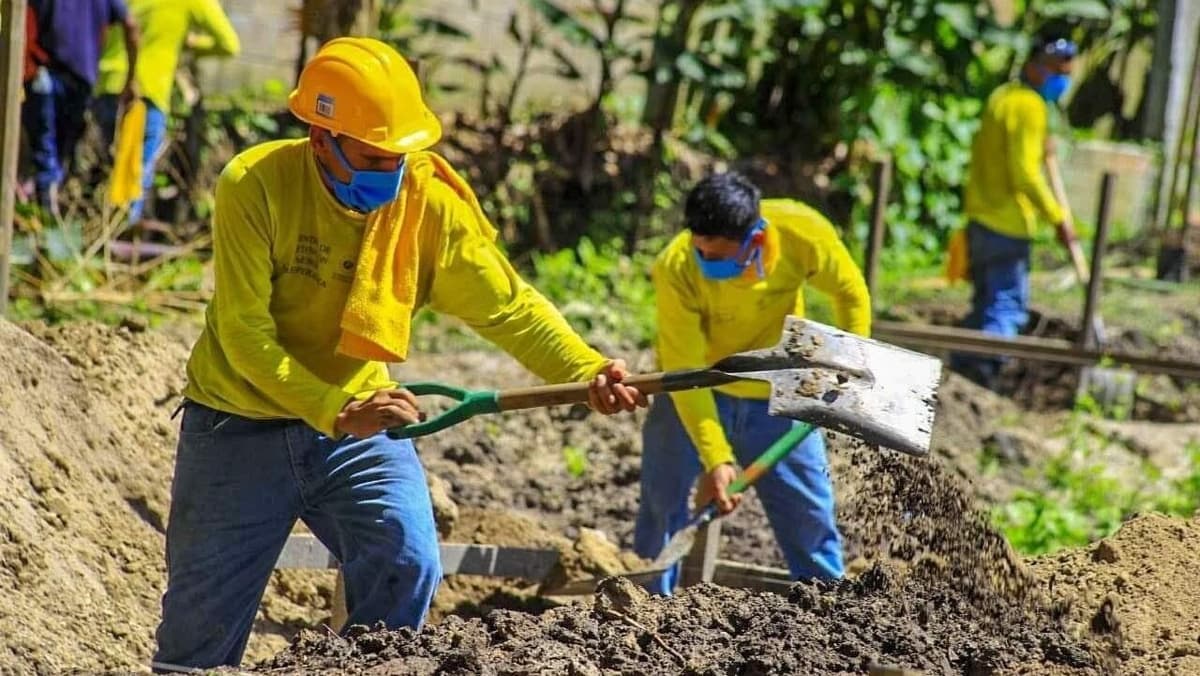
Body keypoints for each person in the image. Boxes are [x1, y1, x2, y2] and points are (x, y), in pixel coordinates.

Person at [153, 37, 647, 671]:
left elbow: (507, 306)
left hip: (359, 424)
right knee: (199, 632)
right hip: (238, 423)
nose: (390, 171)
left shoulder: (425, 203)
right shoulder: (255, 184)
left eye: (401, 156)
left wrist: (586, 372)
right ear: (319, 137)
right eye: (372, 155)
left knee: (408, 561)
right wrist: (335, 408)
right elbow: (244, 333)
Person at [635, 171, 871, 595]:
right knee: (663, 507)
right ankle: (645, 608)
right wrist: (717, 458)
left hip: (780, 389)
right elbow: (686, 371)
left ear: (755, 240)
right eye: (700, 250)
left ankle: (833, 615)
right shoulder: (677, 268)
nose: (707, 262)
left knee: (809, 518)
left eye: (719, 256)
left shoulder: (802, 232)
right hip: (693, 392)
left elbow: (850, 292)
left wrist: (851, 363)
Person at [951, 35, 1078, 389]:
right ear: (1035, 67)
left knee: (983, 306)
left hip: (979, 219)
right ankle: (984, 379)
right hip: (1008, 225)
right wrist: (1057, 217)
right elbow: (1024, 173)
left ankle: (959, 379)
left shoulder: (1001, 98)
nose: (1062, 81)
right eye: (1058, 72)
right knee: (1006, 308)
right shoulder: (1030, 108)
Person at [94, 0, 241, 224]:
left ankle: (93, 225)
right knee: (136, 173)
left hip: (109, 83)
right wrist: (188, 42)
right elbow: (229, 44)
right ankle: (117, 232)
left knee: (107, 165)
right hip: (147, 91)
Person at [22, 0, 139, 218]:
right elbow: (130, 25)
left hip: (46, 72)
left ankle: (46, 223)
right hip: (79, 79)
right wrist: (131, 78)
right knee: (59, 155)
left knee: (46, 152)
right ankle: (47, 220)